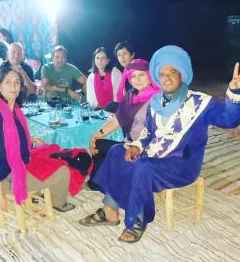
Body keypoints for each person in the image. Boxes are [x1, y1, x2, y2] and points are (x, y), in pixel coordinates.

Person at [79, 45, 240, 243]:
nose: (166, 77)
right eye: (162, 73)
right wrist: (137, 146)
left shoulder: (200, 102)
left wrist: (234, 92)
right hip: (153, 156)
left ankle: (136, 221)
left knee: (142, 166)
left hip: (181, 165)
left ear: (183, 74)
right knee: (115, 151)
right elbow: (147, 133)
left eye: (173, 72)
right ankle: (110, 211)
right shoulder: (155, 102)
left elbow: (229, 119)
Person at [0, 66, 74, 212]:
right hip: (8, 176)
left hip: (23, 162)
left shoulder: (15, 110)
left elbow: (12, 140)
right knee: (63, 171)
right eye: (8, 82)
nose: (13, 86)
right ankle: (58, 203)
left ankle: (45, 193)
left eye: (17, 82)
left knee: (58, 158)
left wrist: (31, 142)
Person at [87, 60, 159, 190]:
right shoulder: (131, 95)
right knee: (97, 145)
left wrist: (137, 146)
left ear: (150, 75)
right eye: (132, 76)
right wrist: (96, 135)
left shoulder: (158, 99)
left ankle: (111, 186)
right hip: (128, 142)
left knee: (113, 152)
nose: (137, 79)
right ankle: (99, 182)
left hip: (144, 148)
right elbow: (116, 120)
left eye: (141, 75)